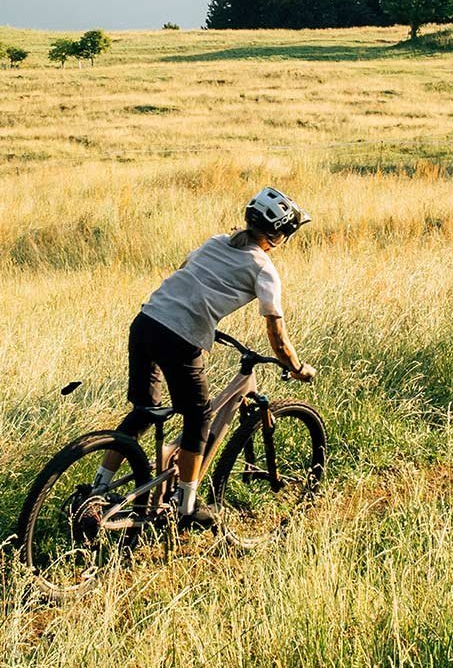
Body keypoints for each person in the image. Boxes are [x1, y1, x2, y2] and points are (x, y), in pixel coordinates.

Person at [92, 187, 316, 530]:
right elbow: (276, 333)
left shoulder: (215, 242)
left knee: (143, 412)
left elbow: (185, 271)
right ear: (277, 234)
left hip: (147, 321)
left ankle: (100, 488)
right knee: (198, 415)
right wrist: (296, 366)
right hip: (180, 337)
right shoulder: (264, 268)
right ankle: (186, 505)